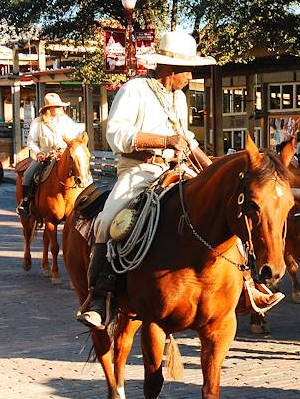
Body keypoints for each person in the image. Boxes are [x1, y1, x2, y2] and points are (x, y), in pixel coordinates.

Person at [76, 30, 281, 329]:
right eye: (188, 70)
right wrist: (164, 140)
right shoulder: (134, 89)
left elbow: (187, 140)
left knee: (221, 210)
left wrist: (213, 170)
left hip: (178, 169)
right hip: (139, 171)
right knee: (108, 222)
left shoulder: (179, 99)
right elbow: (116, 134)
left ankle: (246, 285)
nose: (190, 75)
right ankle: (100, 295)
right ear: (170, 69)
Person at [17, 92, 85, 216]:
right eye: (57, 107)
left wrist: (65, 148)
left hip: (64, 155)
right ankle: (26, 202)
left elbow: (74, 139)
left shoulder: (67, 121)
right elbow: (31, 142)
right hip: (44, 157)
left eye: (60, 106)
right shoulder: (37, 122)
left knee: (82, 172)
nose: (60, 109)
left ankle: (84, 202)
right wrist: (38, 153)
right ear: (49, 109)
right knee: (27, 175)